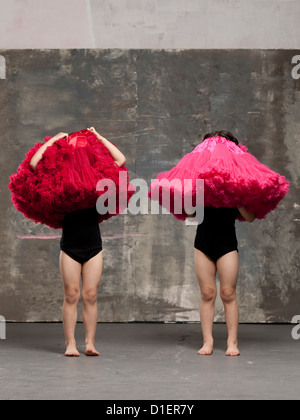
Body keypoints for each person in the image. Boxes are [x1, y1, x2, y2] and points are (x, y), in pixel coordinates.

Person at [30, 127, 126, 357]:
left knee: (90, 295)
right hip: (70, 247)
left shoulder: (97, 176)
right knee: (71, 295)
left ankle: (90, 343)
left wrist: (100, 137)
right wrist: (53, 140)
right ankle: (70, 343)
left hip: (93, 246)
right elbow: (34, 164)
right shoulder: (59, 178)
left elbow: (120, 160)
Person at [189, 131, 256, 357]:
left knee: (228, 292)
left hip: (227, 243)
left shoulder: (237, 181)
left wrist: (236, 196)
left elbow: (250, 216)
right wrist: (197, 192)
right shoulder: (201, 180)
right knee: (207, 292)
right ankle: (207, 342)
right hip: (203, 242)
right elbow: (190, 213)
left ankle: (232, 342)